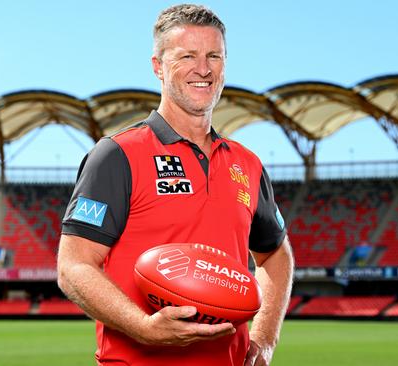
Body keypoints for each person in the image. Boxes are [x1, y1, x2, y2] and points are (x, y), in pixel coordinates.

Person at [57, 4, 294, 365]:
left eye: (214, 55)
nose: (203, 69)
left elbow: (276, 254)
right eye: (187, 56)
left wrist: (264, 337)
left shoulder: (247, 164)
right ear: (158, 66)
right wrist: (142, 327)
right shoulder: (117, 155)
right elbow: (73, 267)